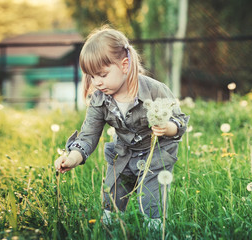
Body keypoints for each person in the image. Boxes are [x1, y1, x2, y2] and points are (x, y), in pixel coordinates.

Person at [54, 26, 189, 226]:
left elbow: (180, 121)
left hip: (155, 153)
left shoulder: (155, 89)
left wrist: (168, 127)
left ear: (125, 65)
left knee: (151, 199)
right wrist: (73, 157)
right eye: (92, 76)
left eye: (102, 74)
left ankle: (155, 229)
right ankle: (112, 228)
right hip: (124, 152)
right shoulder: (99, 99)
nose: (97, 82)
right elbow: (88, 135)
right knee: (112, 194)